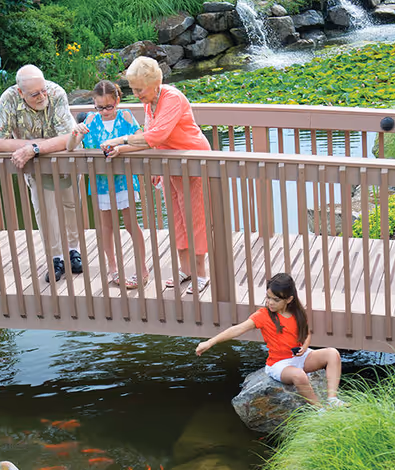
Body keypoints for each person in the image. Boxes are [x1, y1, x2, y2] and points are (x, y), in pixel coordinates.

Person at [100, 56, 210, 295]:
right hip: (170, 166)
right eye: (134, 89)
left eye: (140, 89)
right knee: (178, 219)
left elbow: (157, 135)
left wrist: (119, 139)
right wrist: (121, 149)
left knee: (195, 219)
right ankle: (186, 269)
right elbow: (149, 138)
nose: (136, 94)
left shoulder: (171, 98)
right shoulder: (150, 102)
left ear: (155, 83)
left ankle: (201, 274)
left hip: (193, 164)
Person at [195, 273, 346, 408]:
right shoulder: (263, 315)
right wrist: (210, 342)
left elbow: (306, 334)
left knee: (333, 354)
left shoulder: (297, 312)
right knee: (299, 375)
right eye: (268, 297)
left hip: (300, 357)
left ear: (289, 299)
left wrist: (305, 347)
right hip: (279, 364)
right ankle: (320, 410)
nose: (270, 302)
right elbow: (237, 329)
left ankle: (332, 399)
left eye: (276, 299)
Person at [0, 65, 83, 283]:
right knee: (44, 210)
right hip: (36, 168)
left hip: (66, 159)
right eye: (35, 94)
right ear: (21, 92)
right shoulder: (9, 99)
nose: (43, 96)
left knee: (71, 205)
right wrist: (38, 145)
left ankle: (73, 251)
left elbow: (67, 137)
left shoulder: (57, 93)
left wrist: (34, 148)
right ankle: (56, 258)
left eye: (43, 90)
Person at [66, 80, 148, 289]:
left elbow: (141, 139)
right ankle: (113, 268)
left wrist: (120, 143)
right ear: (94, 103)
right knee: (106, 227)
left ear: (117, 101)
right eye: (100, 107)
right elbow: (70, 147)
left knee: (131, 225)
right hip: (101, 182)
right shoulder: (91, 120)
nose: (104, 111)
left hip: (125, 180)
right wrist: (77, 133)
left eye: (109, 106)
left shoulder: (126, 116)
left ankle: (142, 267)